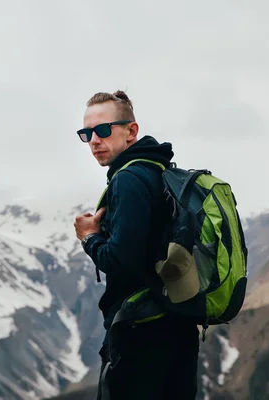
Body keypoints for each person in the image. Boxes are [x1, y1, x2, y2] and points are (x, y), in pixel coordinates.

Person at [73, 90, 200, 399]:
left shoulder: (128, 179)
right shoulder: (159, 171)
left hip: (140, 331)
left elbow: (119, 260)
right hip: (175, 322)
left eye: (103, 130)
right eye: (85, 133)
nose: (94, 140)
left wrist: (89, 237)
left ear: (131, 131)